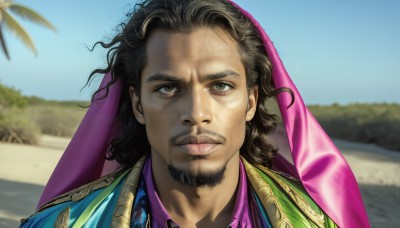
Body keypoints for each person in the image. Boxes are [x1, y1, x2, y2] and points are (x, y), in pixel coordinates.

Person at [20, 0, 370, 227]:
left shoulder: (316, 222)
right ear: (138, 105)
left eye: (220, 86)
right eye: (168, 88)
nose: (196, 113)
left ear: (250, 102)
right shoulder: (64, 222)